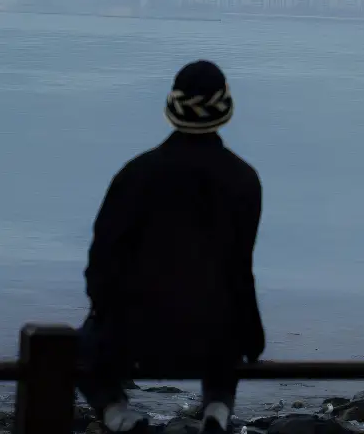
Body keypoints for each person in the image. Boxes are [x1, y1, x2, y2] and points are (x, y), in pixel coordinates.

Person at [77, 60, 265, 433]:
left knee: (76, 348)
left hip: (136, 335)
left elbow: (100, 263)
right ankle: (216, 407)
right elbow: (240, 273)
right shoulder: (244, 180)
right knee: (227, 319)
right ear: (225, 111)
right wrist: (253, 339)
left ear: (172, 109)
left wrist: (105, 316)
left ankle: (117, 415)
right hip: (213, 337)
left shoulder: (135, 174)